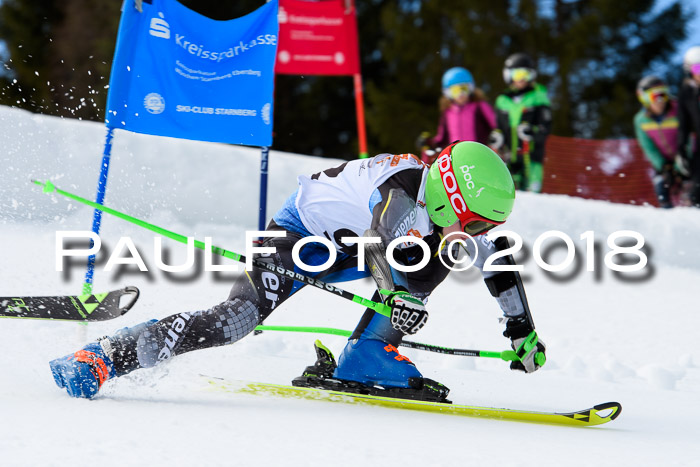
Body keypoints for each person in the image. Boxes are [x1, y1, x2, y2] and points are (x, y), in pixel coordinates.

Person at [50, 141, 546, 400]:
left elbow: (496, 259)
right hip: (295, 240)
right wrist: (397, 294)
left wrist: (521, 329)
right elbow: (379, 234)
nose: (480, 229)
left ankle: (367, 353)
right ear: (453, 194)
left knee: (442, 250)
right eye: (479, 218)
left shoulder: (444, 213)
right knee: (235, 322)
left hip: (355, 252)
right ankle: (105, 356)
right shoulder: (402, 188)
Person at [492, 53, 552, 193]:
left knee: (532, 194)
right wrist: (497, 137)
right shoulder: (503, 100)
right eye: (518, 74)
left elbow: (546, 126)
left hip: (531, 157)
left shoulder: (538, 97)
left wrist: (533, 132)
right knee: (509, 193)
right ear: (509, 75)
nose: (522, 79)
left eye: (526, 74)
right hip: (508, 157)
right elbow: (499, 126)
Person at [418, 67, 498, 165]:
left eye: (464, 89)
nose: (461, 94)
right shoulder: (448, 112)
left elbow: (495, 126)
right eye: (456, 91)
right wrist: (429, 142)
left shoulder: (479, 107)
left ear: (471, 88)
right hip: (457, 158)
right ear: (448, 93)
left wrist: (496, 140)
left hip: (480, 155)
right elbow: (442, 139)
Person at [633, 75, 684, 208]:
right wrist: (663, 166)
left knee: (691, 190)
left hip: (686, 158)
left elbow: (690, 137)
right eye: (655, 96)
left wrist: (680, 165)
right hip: (664, 164)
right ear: (644, 98)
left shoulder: (679, 110)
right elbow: (648, 147)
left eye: (664, 95)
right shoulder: (641, 120)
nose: (660, 101)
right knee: (661, 186)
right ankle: (669, 220)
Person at [677, 46, 700, 207]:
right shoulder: (687, 93)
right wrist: (681, 150)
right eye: (698, 67)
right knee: (697, 185)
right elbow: (683, 125)